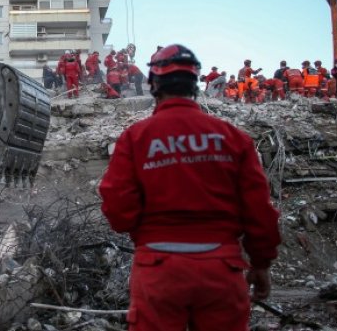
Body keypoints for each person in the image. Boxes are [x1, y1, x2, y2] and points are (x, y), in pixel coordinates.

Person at [99, 44, 281, 331]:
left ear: (153, 84)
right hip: (221, 269)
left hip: (158, 269)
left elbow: (117, 206)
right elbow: (259, 210)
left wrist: (145, 233)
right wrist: (261, 262)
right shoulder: (232, 137)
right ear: (194, 84)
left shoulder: (136, 138)